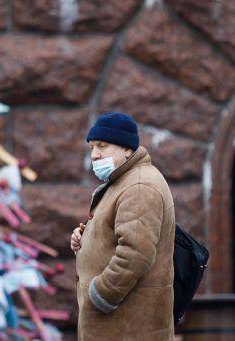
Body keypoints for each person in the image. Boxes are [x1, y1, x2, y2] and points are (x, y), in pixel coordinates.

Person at [70, 112, 175, 340]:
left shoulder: (138, 185)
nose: (95, 155)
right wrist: (84, 237)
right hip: (118, 325)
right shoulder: (123, 181)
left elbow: (136, 252)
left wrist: (103, 294)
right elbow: (118, 234)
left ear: (127, 148)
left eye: (102, 146)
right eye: (91, 148)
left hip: (127, 326)